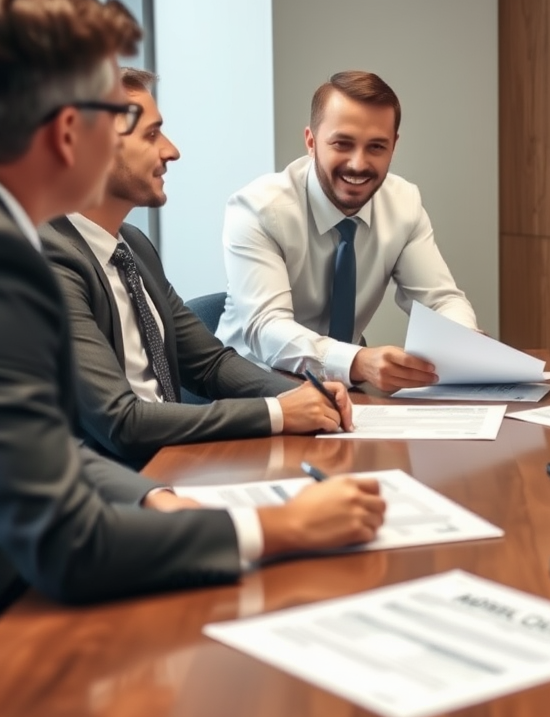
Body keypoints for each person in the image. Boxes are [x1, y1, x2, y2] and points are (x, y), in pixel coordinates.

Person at [0, 0, 384, 636]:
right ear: (67, 129)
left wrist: (150, 497)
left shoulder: (10, 238)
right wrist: (276, 527)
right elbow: (69, 545)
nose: (169, 149)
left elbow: (46, 447)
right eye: (123, 120)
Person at [40, 67, 351, 470]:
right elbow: (121, 422)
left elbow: (209, 365)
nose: (171, 151)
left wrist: (304, 395)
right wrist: (277, 413)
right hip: (112, 488)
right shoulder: (46, 259)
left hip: (176, 463)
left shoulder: (133, 246)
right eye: (151, 135)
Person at [217, 70, 478, 392]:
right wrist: (358, 362)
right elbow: (266, 327)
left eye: (376, 147)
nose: (358, 164)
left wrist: (463, 343)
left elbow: (440, 300)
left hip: (344, 392)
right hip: (253, 390)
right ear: (311, 142)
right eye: (342, 143)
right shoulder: (258, 209)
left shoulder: (404, 204)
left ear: (393, 147)